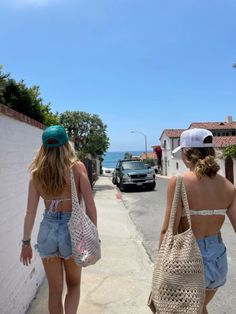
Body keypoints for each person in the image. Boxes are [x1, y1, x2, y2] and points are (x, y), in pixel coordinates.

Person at [20, 125, 97, 314]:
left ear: (43, 147)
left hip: (47, 231)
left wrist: (26, 242)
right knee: (74, 284)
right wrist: (93, 234)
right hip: (73, 231)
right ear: (66, 145)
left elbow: (30, 212)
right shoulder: (77, 168)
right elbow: (90, 205)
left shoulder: (36, 173)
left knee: (54, 291)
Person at [159, 128, 236, 314]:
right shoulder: (228, 186)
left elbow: (167, 230)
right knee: (199, 308)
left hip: (190, 260)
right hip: (218, 260)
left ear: (186, 153)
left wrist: (161, 265)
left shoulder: (179, 181)